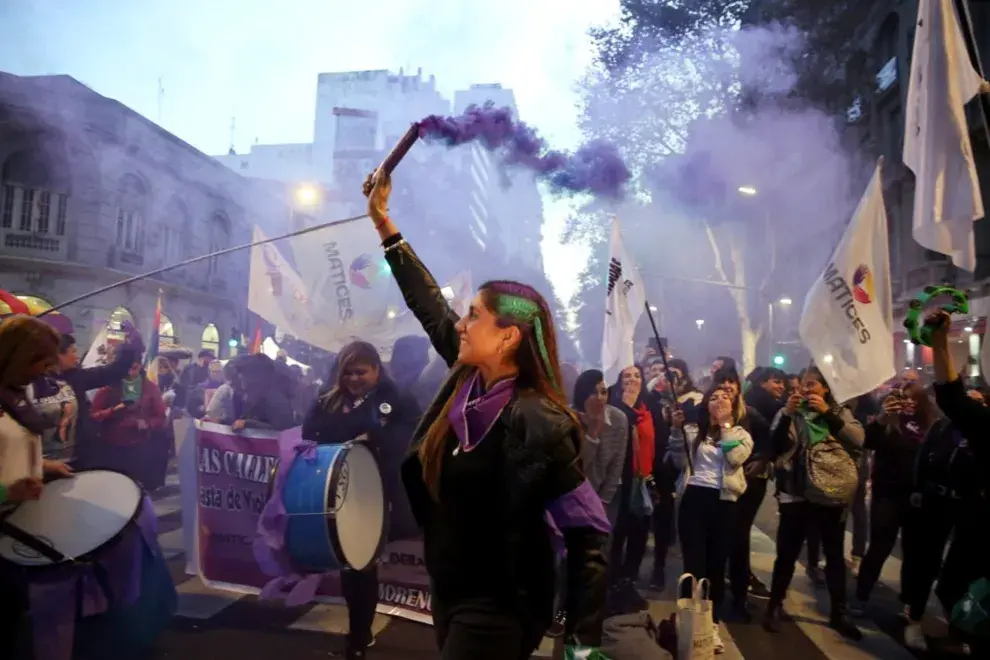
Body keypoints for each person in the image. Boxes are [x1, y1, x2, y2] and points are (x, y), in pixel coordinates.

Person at [363, 171, 610, 660]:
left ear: (507, 337)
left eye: (474, 314)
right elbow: (427, 302)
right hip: (451, 591)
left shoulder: (543, 423)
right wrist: (383, 222)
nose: (460, 322)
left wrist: (584, 646)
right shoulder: (464, 383)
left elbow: (590, 535)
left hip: (502, 605)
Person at [300, 340, 420, 658]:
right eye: (348, 373)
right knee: (349, 564)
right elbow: (310, 430)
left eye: (361, 372)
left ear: (377, 371)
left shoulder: (398, 399)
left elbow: (412, 437)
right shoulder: (329, 398)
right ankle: (358, 633)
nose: (354, 379)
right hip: (336, 488)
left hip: (379, 491)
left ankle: (359, 638)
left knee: (361, 563)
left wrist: (375, 437)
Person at [763, 366, 863, 640]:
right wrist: (786, 413)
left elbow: (859, 439)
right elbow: (775, 443)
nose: (805, 391)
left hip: (829, 494)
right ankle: (774, 605)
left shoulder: (839, 412)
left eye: (812, 386)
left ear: (825, 389)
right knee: (786, 553)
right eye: (802, 386)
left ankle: (839, 612)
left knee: (833, 554)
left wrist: (826, 414)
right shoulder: (790, 413)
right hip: (796, 493)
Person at [0, 315, 78, 652]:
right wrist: (6, 492)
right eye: (39, 362)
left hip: (19, 526)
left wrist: (43, 466)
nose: (43, 371)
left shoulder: (14, 394)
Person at [669, 386, 753, 654]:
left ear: (734, 405)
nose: (719, 401)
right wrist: (675, 430)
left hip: (724, 503)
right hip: (694, 499)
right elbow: (678, 459)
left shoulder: (741, 436)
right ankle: (689, 622)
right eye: (713, 398)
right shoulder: (694, 432)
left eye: (725, 397)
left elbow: (734, 458)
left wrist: (726, 426)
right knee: (694, 566)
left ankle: (710, 625)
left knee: (716, 566)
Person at [25, 327, 143, 467]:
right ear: (58, 355)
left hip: (78, 457)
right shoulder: (29, 382)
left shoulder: (76, 377)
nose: (77, 356)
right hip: (40, 463)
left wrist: (128, 347)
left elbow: (111, 372)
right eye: (73, 351)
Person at [90, 360, 167, 487]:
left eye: (134, 368)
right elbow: (93, 416)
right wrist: (113, 411)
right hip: (110, 447)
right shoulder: (108, 387)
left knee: (136, 488)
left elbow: (160, 417)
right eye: (127, 369)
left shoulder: (150, 388)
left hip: (139, 446)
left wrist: (146, 423)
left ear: (140, 367)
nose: (130, 373)